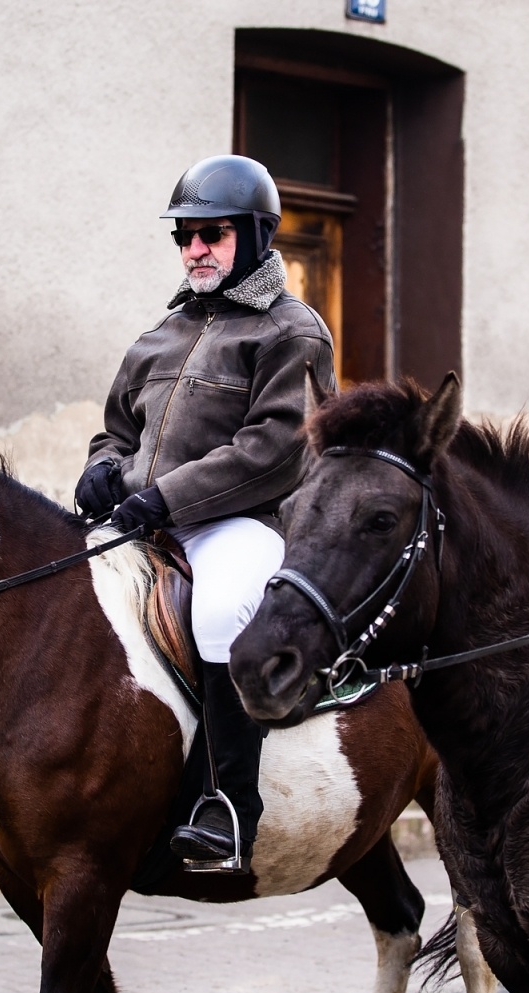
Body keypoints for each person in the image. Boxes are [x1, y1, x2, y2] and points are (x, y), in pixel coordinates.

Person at [74, 154, 337, 871]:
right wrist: (102, 470)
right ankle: (44, 799)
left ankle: (226, 808)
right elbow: (116, 430)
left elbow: (274, 450)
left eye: (211, 235)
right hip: (145, 518)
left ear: (253, 237)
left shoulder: (292, 331)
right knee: (62, 592)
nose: (194, 250)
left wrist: (164, 497)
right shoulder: (161, 333)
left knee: (222, 611)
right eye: (184, 236)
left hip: (242, 524)